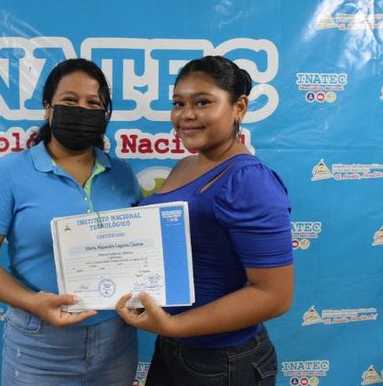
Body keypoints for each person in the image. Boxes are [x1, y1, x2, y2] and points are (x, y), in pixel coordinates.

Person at [115, 55, 294, 386]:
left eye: (202, 102)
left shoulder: (248, 180)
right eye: (178, 103)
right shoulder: (185, 165)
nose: (186, 115)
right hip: (173, 347)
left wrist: (174, 325)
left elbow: (275, 295)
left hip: (223, 360)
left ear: (239, 107)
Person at [0, 58, 142, 386]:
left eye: (93, 103)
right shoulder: (11, 172)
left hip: (115, 340)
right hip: (38, 342)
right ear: (48, 108)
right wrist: (32, 302)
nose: (82, 110)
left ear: (105, 113)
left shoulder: (122, 173)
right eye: (70, 101)